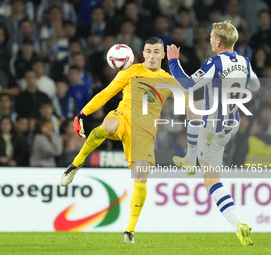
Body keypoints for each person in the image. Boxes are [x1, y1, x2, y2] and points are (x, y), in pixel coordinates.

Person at [60, 37, 186, 243]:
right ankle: (75, 164)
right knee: (107, 126)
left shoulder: (168, 81)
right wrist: (82, 114)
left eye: (156, 52)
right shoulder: (130, 71)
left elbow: (191, 100)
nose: (152, 56)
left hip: (144, 134)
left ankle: (129, 231)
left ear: (163, 55)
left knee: (141, 179)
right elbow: (106, 93)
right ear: (142, 54)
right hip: (123, 118)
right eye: (148, 51)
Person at [167, 20, 260, 246]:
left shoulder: (214, 62)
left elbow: (188, 84)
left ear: (218, 42)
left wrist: (173, 61)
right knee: (193, 108)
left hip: (212, 132)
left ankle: (238, 224)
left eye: (210, 37)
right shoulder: (245, 62)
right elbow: (255, 87)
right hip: (232, 124)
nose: (209, 40)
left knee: (211, 182)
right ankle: (190, 160)